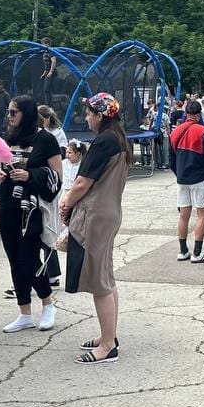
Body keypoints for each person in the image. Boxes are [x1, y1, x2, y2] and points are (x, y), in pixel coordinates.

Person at [58, 93, 130, 365]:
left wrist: (66, 204)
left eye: (89, 113)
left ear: (100, 115)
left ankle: (108, 346)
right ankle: (108, 335)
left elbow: (82, 183)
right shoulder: (119, 138)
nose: (86, 117)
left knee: (99, 282)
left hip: (95, 215)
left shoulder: (103, 142)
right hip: (108, 212)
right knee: (106, 278)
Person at [0, 95, 62, 332]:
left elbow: (57, 176)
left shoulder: (46, 140)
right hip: (7, 203)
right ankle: (24, 312)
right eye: (8, 112)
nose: (9, 116)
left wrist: (30, 175)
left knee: (29, 257)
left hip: (30, 208)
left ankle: (47, 302)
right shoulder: (8, 138)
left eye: (14, 112)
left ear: (27, 114)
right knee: (13, 258)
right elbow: (1, 165)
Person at [170, 100, 204, 263]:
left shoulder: (175, 132)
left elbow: (171, 158)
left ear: (186, 113)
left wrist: (179, 173)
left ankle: (183, 250)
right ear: (200, 114)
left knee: (184, 215)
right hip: (199, 178)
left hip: (182, 178)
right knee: (203, 214)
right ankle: (197, 252)